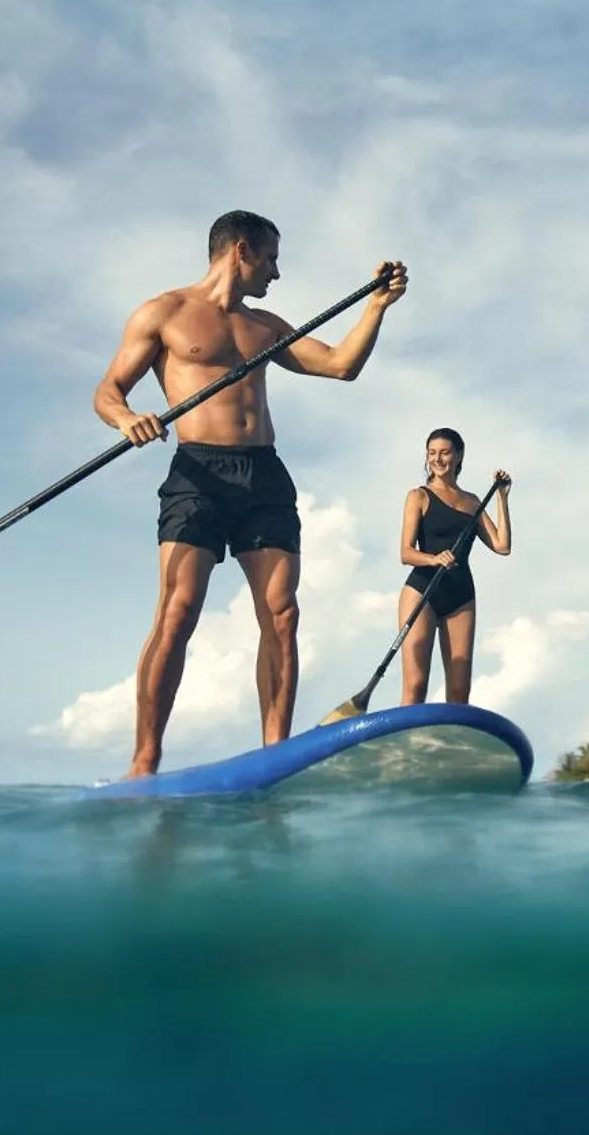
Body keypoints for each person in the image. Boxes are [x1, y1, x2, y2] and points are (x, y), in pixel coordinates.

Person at [92, 209, 408, 778]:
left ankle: (274, 757)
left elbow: (339, 365)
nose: (276, 274)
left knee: (282, 615)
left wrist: (376, 308)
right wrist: (125, 418)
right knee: (177, 611)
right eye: (272, 258)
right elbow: (109, 389)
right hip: (198, 475)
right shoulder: (163, 313)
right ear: (241, 250)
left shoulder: (264, 326)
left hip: (264, 476)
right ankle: (144, 762)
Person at [397, 429, 512, 706]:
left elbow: (502, 545)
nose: (438, 458)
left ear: (458, 456)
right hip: (422, 589)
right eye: (432, 452)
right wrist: (433, 559)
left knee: (460, 693)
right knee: (416, 685)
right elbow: (406, 553)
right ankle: (406, 747)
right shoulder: (419, 496)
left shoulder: (472, 501)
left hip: (460, 594)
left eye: (445, 452)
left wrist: (502, 498)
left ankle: (451, 747)